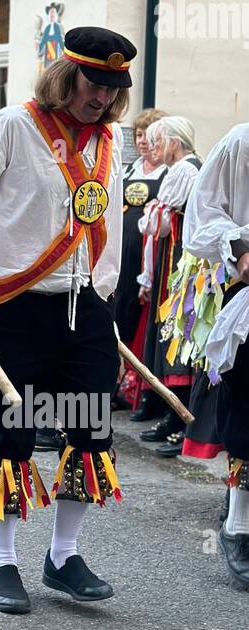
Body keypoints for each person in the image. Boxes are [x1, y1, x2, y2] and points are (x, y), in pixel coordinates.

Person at [0, 27, 133, 614]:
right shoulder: (13, 126)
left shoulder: (108, 142)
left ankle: (63, 556)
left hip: (84, 306)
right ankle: (1, 560)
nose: (103, 97)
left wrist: (101, 295)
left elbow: (105, 229)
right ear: (66, 75)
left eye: (114, 88)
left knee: (90, 430)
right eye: (94, 83)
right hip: (17, 305)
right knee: (17, 431)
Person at [181, 122, 249, 585]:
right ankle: (238, 523)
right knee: (247, 407)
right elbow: (202, 216)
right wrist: (241, 246)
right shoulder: (242, 142)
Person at [136, 116, 200, 456]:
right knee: (171, 336)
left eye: (160, 142)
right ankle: (171, 415)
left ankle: (179, 419)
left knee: (180, 335)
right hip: (172, 264)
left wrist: (152, 212)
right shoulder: (182, 171)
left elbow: (156, 223)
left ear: (175, 143)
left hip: (181, 266)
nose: (156, 149)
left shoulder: (186, 171)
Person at [113, 107, 166, 418]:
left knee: (140, 322)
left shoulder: (170, 174)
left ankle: (141, 389)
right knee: (120, 316)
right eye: (138, 135)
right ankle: (119, 384)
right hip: (123, 256)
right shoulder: (131, 169)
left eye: (148, 135)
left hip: (148, 260)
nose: (143, 141)